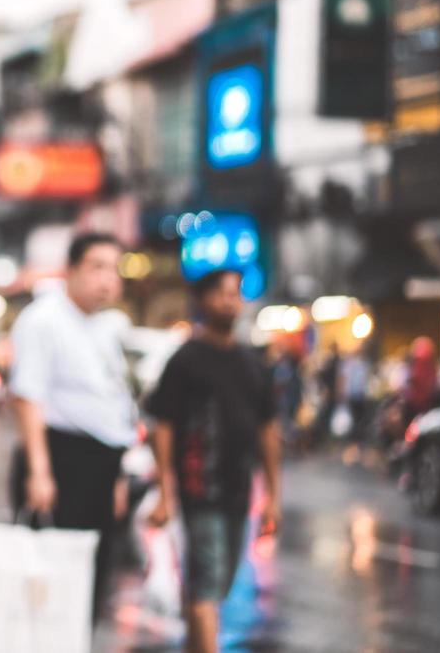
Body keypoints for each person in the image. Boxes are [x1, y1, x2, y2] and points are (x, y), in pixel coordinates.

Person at [146, 270, 281, 653]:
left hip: (239, 492)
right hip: (198, 489)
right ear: (203, 301)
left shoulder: (252, 364)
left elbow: (268, 431)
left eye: (235, 294)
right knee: (207, 585)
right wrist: (165, 492)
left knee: (215, 586)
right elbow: (164, 427)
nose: (230, 301)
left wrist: (273, 496)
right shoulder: (185, 360)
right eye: (221, 294)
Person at [7, 232, 136, 623]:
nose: (107, 279)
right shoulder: (43, 319)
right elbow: (28, 397)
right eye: (97, 267)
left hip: (101, 465)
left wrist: (117, 477)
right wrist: (40, 473)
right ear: (71, 271)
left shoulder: (107, 326)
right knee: (55, 587)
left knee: (93, 582)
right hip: (61, 463)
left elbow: (112, 404)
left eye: (115, 269)